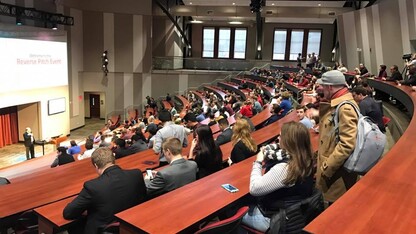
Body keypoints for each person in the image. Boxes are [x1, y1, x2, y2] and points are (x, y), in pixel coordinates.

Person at [241, 122, 314, 232]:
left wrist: (258, 162)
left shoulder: (285, 168)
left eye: (280, 136)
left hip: (274, 219)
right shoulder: (306, 158)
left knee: (233, 213)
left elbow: (254, 189)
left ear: (288, 142)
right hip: (295, 213)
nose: (278, 139)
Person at [63, 147, 146, 234]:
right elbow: (143, 198)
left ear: (96, 165)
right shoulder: (136, 174)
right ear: (114, 158)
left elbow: (68, 213)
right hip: (132, 227)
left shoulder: (92, 186)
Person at [316, 70, 359, 203]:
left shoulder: (345, 108)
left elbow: (347, 144)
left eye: (323, 87)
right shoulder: (339, 104)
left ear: (330, 87)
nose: (321, 90)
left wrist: (326, 168)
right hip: (333, 171)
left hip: (336, 175)